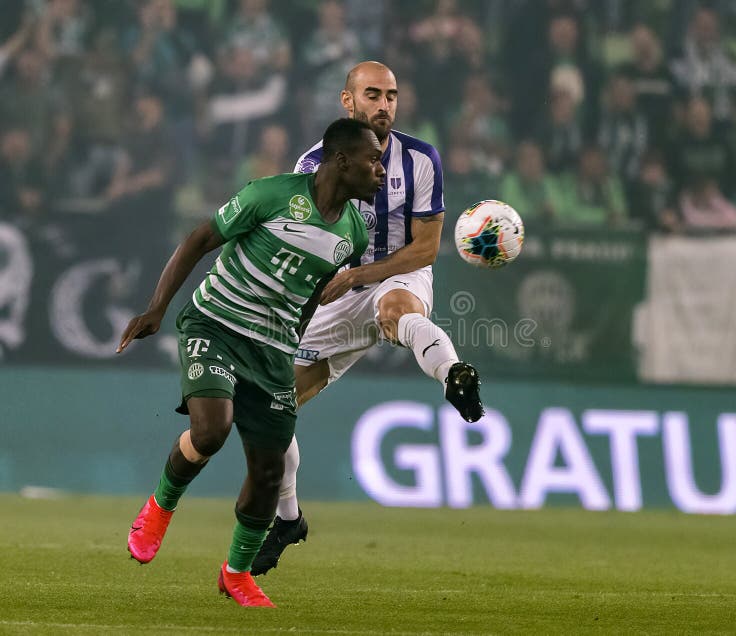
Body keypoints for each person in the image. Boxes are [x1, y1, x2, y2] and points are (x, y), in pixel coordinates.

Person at [116, 117, 382, 608]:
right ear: (342, 161)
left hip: (272, 351)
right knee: (212, 430)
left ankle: (236, 574)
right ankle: (159, 506)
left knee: (268, 473)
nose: (380, 172)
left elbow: (308, 299)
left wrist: (289, 345)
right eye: (373, 160)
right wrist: (157, 307)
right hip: (214, 323)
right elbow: (200, 238)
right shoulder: (271, 194)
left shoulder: (353, 235)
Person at [250, 60, 484, 577]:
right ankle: (288, 519)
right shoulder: (312, 164)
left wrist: (362, 277)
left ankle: (454, 375)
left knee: (395, 309)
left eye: (392, 96)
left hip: (393, 274)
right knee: (272, 409)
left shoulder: (422, 160)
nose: (384, 105)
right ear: (347, 101)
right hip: (334, 290)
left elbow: (424, 249)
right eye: (373, 95)